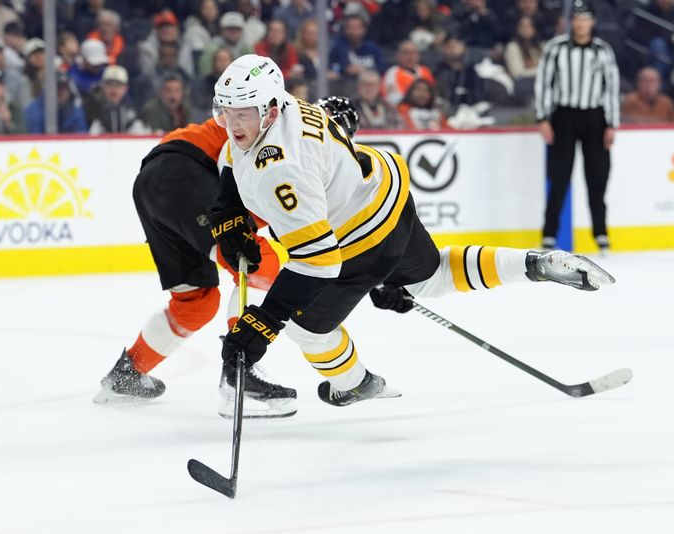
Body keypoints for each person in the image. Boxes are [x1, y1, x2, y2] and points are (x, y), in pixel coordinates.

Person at [208, 54, 615, 407]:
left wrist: (266, 322)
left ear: (270, 111)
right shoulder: (281, 108)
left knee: (305, 328)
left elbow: (319, 261)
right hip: (387, 195)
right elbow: (234, 154)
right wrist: (229, 212)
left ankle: (354, 383)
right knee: (433, 277)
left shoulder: (280, 169)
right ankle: (534, 263)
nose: (232, 123)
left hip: (357, 238)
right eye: (225, 111)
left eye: (242, 113)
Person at [95, 117, 298, 418]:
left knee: (196, 302)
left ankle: (127, 375)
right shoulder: (289, 132)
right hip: (185, 174)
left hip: (155, 184)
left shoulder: (288, 133)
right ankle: (239, 369)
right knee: (259, 262)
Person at [534, 0, 619, 252]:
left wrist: (611, 123)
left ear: (593, 22)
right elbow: (543, 83)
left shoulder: (602, 50)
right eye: (577, 18)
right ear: (571, 21)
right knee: (559, 176)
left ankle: (600, 232)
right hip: (564, 115)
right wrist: (543, 118)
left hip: (595, 116)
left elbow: (611, 88)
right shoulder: (556, 48)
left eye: (585, 18)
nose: (581, 23)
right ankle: (549, 233)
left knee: (597, 175)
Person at [85, 65, 148, 134]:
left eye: (118, 85)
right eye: (109, 84)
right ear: (103, 86)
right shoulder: (92, 109)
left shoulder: (134, 110)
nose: (113, 89)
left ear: (125, 88)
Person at [381, 40, 436, 107]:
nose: (411, 57)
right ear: (398, 55)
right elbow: (392, 100)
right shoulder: (392, 73)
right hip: (404, 110)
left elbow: (433, 94)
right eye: (406, 53)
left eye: (414, 53)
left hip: (428, 109)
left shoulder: (425, 71)